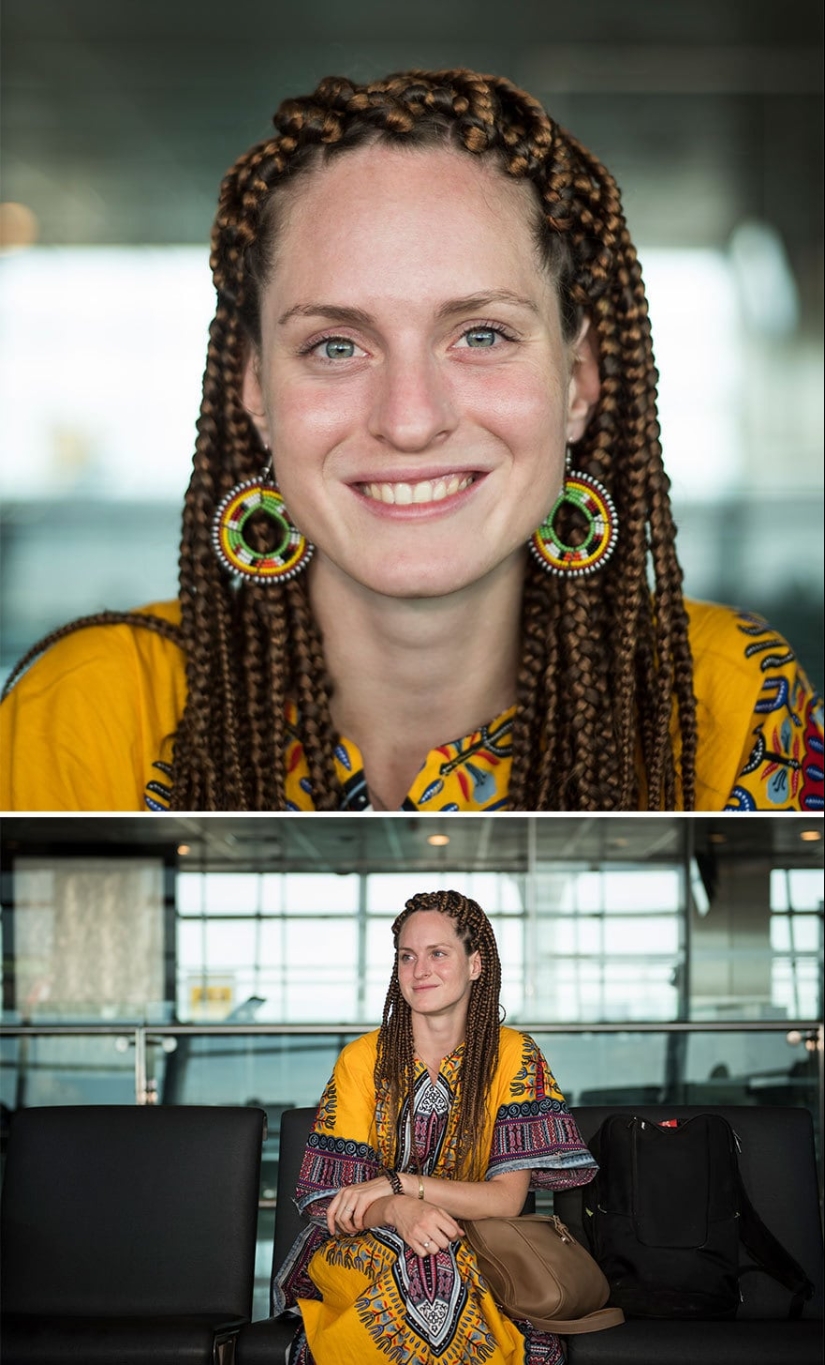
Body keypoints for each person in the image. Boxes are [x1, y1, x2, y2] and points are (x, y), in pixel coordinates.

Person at [1, 68, 822, 813]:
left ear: (577, 382)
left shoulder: (720, 699)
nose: (408, 418)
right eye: (335, 346)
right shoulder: (93, 706)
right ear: (254, 389)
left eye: (481, 335)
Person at [276, 888, 597, 1365]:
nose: (419, 970)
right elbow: (336, 1206)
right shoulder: (362, 1060)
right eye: (407, 957)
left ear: (475, 964)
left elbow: (506, 1199)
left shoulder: (515, 1056)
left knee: (442, 1270)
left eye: (438, 953)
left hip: (481, 1247)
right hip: (363, 1248)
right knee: (415, 1269)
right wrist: (397, 1211)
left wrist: (402, 1186)